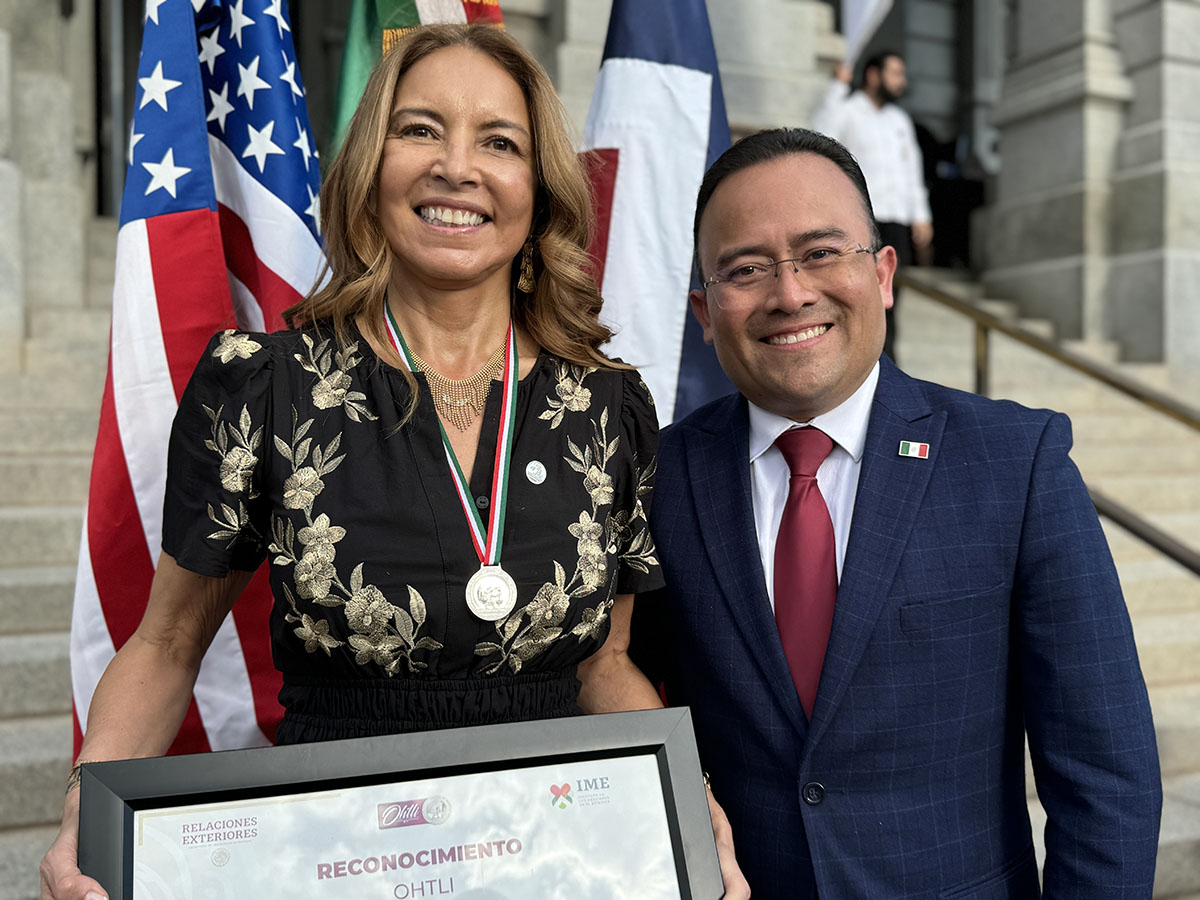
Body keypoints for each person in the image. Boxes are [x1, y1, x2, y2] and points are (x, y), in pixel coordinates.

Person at [40, 25, 748, 900]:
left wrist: (690, 807)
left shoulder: (607, 410)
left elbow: (604, 664)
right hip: (336, 859)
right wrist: (85, 809)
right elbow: (169, 641)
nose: (459, 166)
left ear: (539, 190)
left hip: (558, 859)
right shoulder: (265, 390)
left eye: (500, 141)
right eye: (420, 130)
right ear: (370, 169)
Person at [633, 128, 1162, 898]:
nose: (790, 293)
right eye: (745, 269)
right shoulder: (660, 479)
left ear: (883, 274)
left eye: (821, 252)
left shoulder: (1016, 462)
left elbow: (1106, 773)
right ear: (704, 312)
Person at [811, 52, 931, 362]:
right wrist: (837, 86)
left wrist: (921, 216)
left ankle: (889, 363)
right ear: (874, 75)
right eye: (895, 73)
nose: (901, 81)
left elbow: (911, 170)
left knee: (892, 296)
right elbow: (820, 135)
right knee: (863, 294)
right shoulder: (848, 110)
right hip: (863, 219)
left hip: (897, 219)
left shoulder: (900, 121)